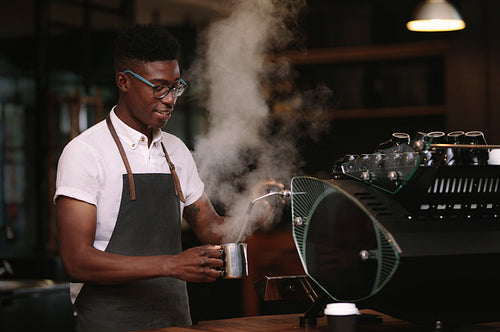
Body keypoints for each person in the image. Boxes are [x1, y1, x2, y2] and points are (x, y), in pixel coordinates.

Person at [54, 24, 282, 332]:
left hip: (173, 321)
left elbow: (212, 231)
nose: (170, 99)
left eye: (176, 86)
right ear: (123, 81)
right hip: (108, 322)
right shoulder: (85, 153)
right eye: (158, 87)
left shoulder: (175, 151)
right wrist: (172, 265)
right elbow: (76, 261)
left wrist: (253, 215)